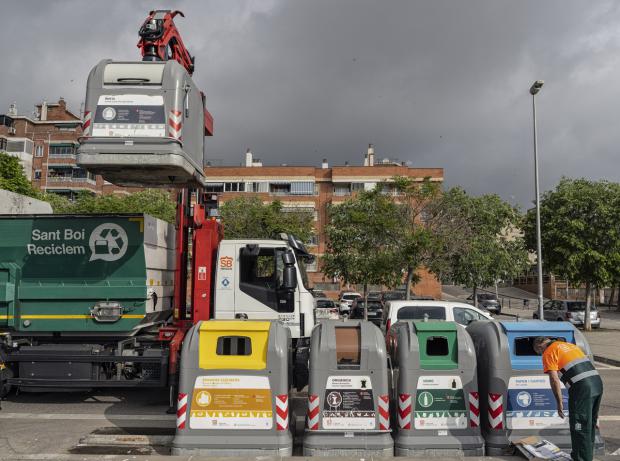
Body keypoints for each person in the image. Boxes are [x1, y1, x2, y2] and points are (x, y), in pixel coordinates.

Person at [533, 337, 603, 461]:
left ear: (539, 346)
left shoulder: (549, 352)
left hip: (582, 388)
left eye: (539, 353)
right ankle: (583, 456)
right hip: (597, 383)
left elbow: (554, 379)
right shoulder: (569, 345)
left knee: (579, 425)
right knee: (589, 424)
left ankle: (581, 458)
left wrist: (559, 403)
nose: (541, 355)